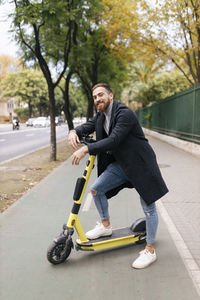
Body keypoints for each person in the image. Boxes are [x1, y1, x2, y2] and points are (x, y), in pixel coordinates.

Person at [67, 83, 168, 269]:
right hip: (121, 164)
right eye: (95, 97)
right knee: (97, 190)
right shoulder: (101, 115)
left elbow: (114, 139)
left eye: (101, 95)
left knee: (149, 207)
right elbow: (86, 126)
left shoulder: (124, 113)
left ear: (111, 96)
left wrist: (86, 149)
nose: (97, 99)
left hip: (140, 164)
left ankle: (150, 250)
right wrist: (74, 131)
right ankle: (105, 226)